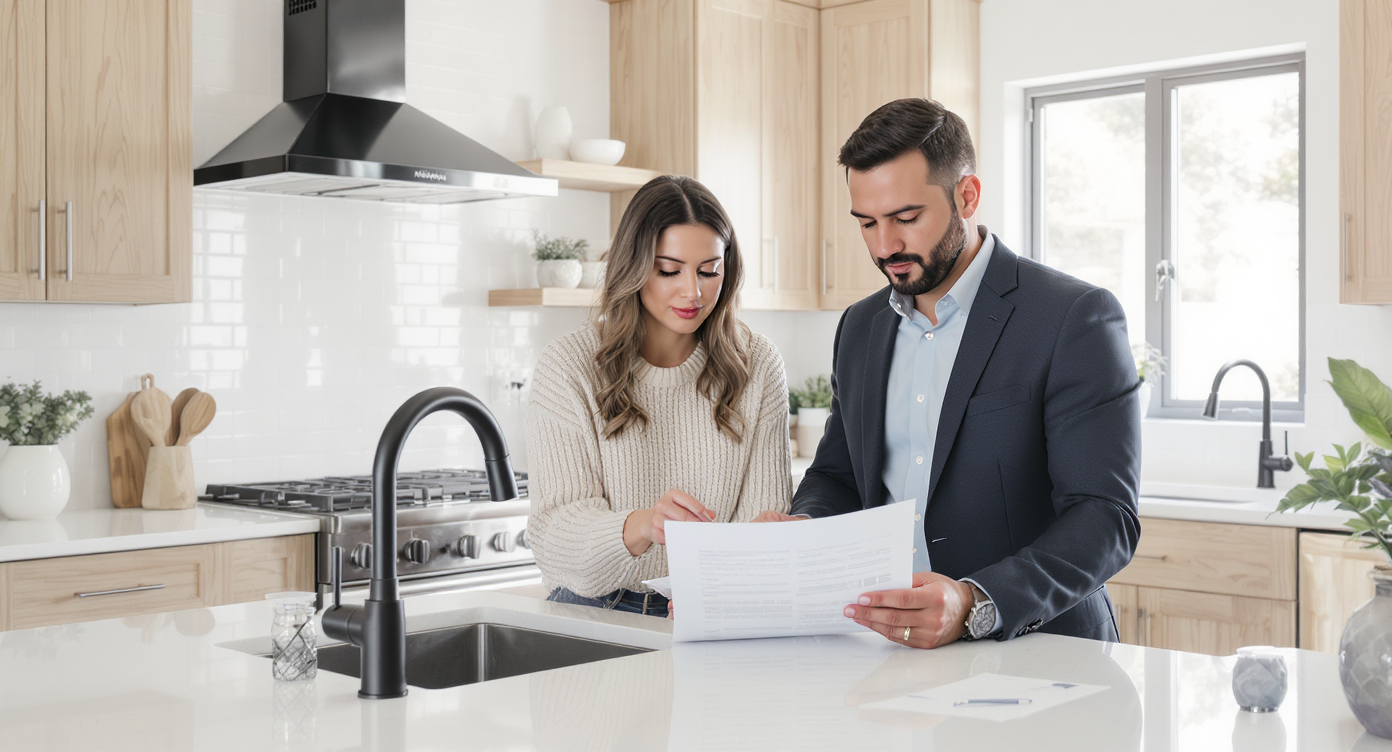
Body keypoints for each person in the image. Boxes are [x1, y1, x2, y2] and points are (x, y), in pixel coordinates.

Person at [786, 98, 1141, 647]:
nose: (885, 247)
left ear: (967, 196)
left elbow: (1104, 517)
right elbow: (839, 477)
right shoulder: (860, 327)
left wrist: (975, 601)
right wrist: (805, 532)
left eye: (906, 218)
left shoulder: (1072, 317)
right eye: (867, 224)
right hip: (887, 652)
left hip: (1042, 653)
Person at [525, 175, 793, 618]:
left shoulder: (758, 364)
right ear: (633, 267)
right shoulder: (568, 366)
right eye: (669, 270)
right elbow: (556, 543)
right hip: (595, 612)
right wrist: (646, 524)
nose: (694, 291)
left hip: (710, 609)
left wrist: (723, 588)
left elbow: (761, 523)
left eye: (710, 270)